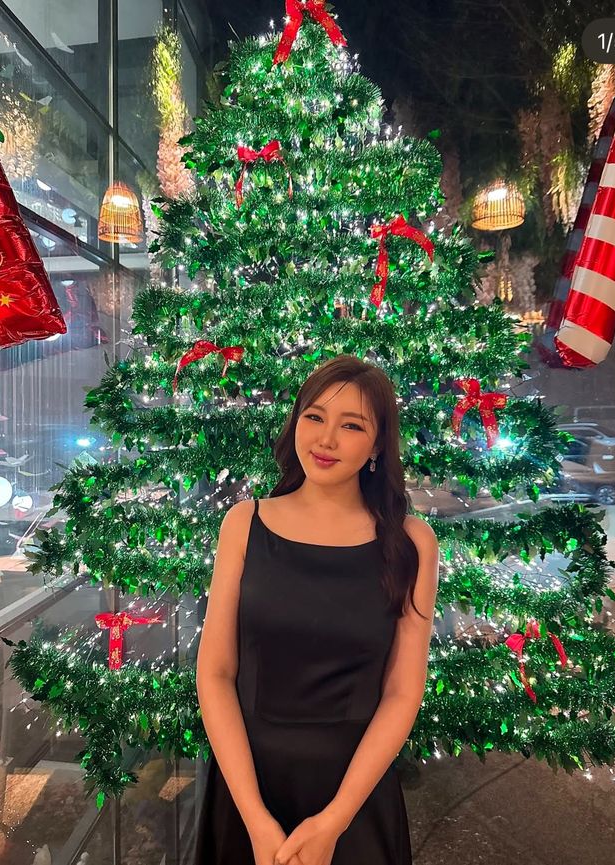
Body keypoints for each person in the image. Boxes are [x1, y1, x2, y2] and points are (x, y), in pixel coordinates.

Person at [195, 354, 440, 865]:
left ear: (377, 445)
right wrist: (255, 819)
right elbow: (215, 673)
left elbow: (402, 692)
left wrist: (334, 820)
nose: (326, 439)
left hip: (353, 795)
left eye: (351, 425)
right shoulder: (244, 523)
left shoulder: (411, 542)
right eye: (315, 417)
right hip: (247, 785)